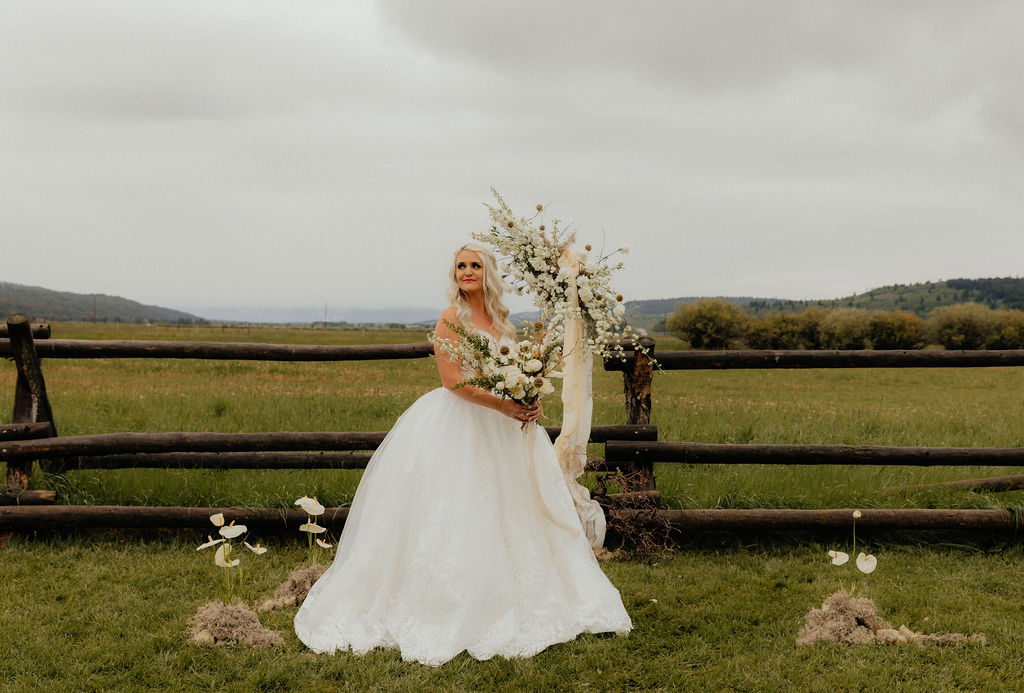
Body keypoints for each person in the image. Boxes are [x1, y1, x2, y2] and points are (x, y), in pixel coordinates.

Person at [294, 242, 632, 666]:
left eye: (474, 266)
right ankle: (447, 600)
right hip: (460, 422)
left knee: (511, 510)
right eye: (460, 267)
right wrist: (504, 404)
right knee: (459, 509)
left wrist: (526, 396)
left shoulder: (501, 319)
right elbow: (453, 381)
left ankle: (514, 591)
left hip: (504, 426)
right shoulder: (452, 317)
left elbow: (512, 367)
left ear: (487, 272)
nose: (467, 272)